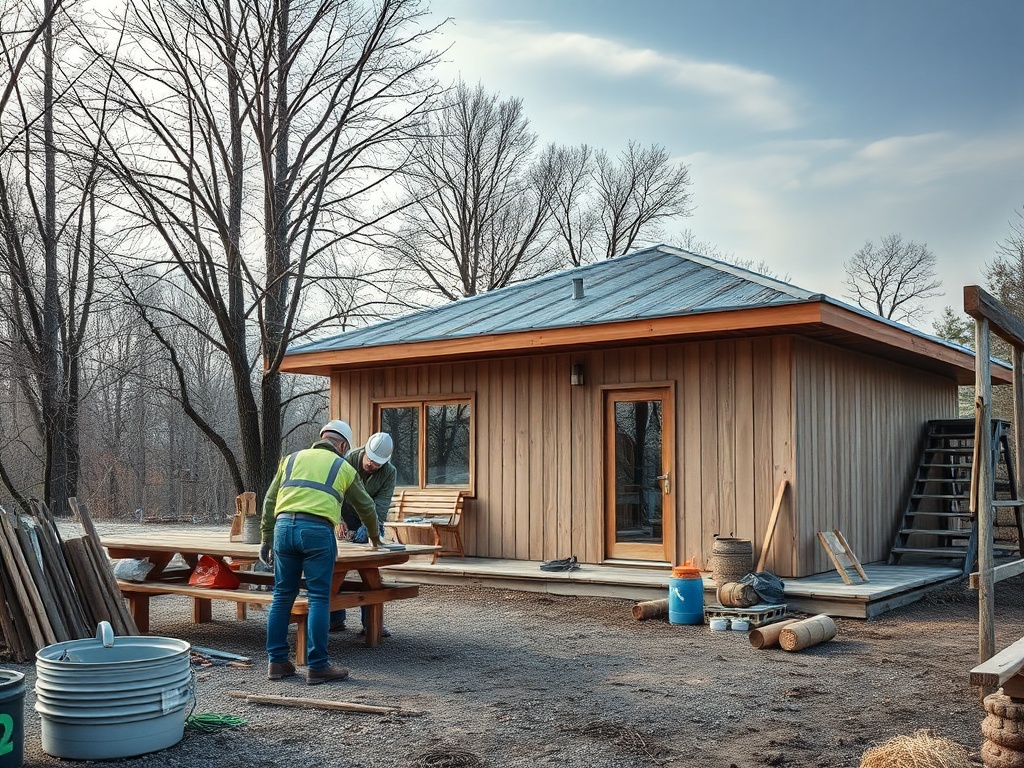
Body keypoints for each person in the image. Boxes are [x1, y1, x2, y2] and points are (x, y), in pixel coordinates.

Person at [260, 419, 381, 685]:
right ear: (343, 445)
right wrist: (374, 538)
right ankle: (317, 666)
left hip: (283, 528)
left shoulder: (290, 459)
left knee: (282, 596)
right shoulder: (343, 466)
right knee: (318, 598)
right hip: (316, 531)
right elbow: (367, 508)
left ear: (321, 437)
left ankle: (277, 663)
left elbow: (270, 500)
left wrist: (266, 537)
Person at [330, 432, 397, 636]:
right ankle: (334, 619)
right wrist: (337, 519)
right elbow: (334, 493)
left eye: (377, 463)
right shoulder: (348, 460)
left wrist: (370, 526)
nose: (371, 465)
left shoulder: (389, 473)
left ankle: (371, 622)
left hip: (370, 518)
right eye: (370, 460)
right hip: (345, 514)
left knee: (370, 569)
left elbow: (382, 505)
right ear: (365, 451)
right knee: (334, 564)